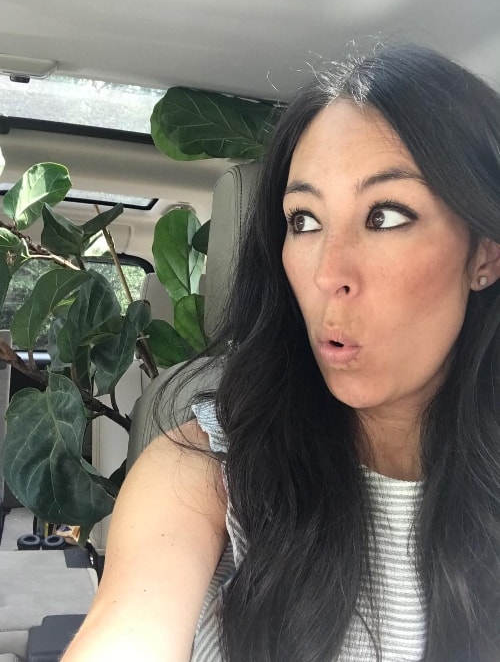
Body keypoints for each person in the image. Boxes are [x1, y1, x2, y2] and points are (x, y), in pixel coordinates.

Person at [61, 45, 500, 662]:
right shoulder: (204, 472)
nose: (329, 274)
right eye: (305, 221)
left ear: (484, 253)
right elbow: (130, 628)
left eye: (387, 215)